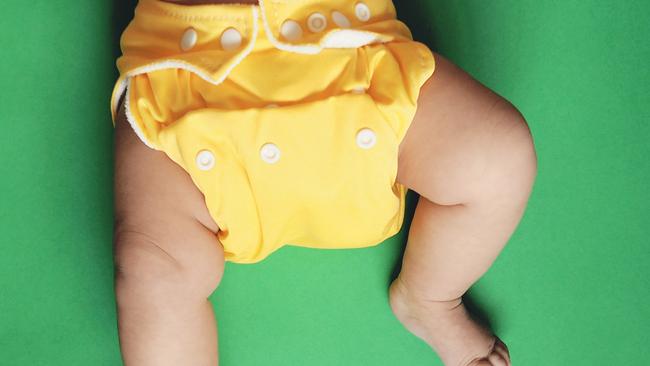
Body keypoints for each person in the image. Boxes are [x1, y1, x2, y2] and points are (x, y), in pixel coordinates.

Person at [111, 0, 537, 364]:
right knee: (154, 271)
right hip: (185, 90)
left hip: (352, 61)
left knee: (498, 157)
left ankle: (431, 297)